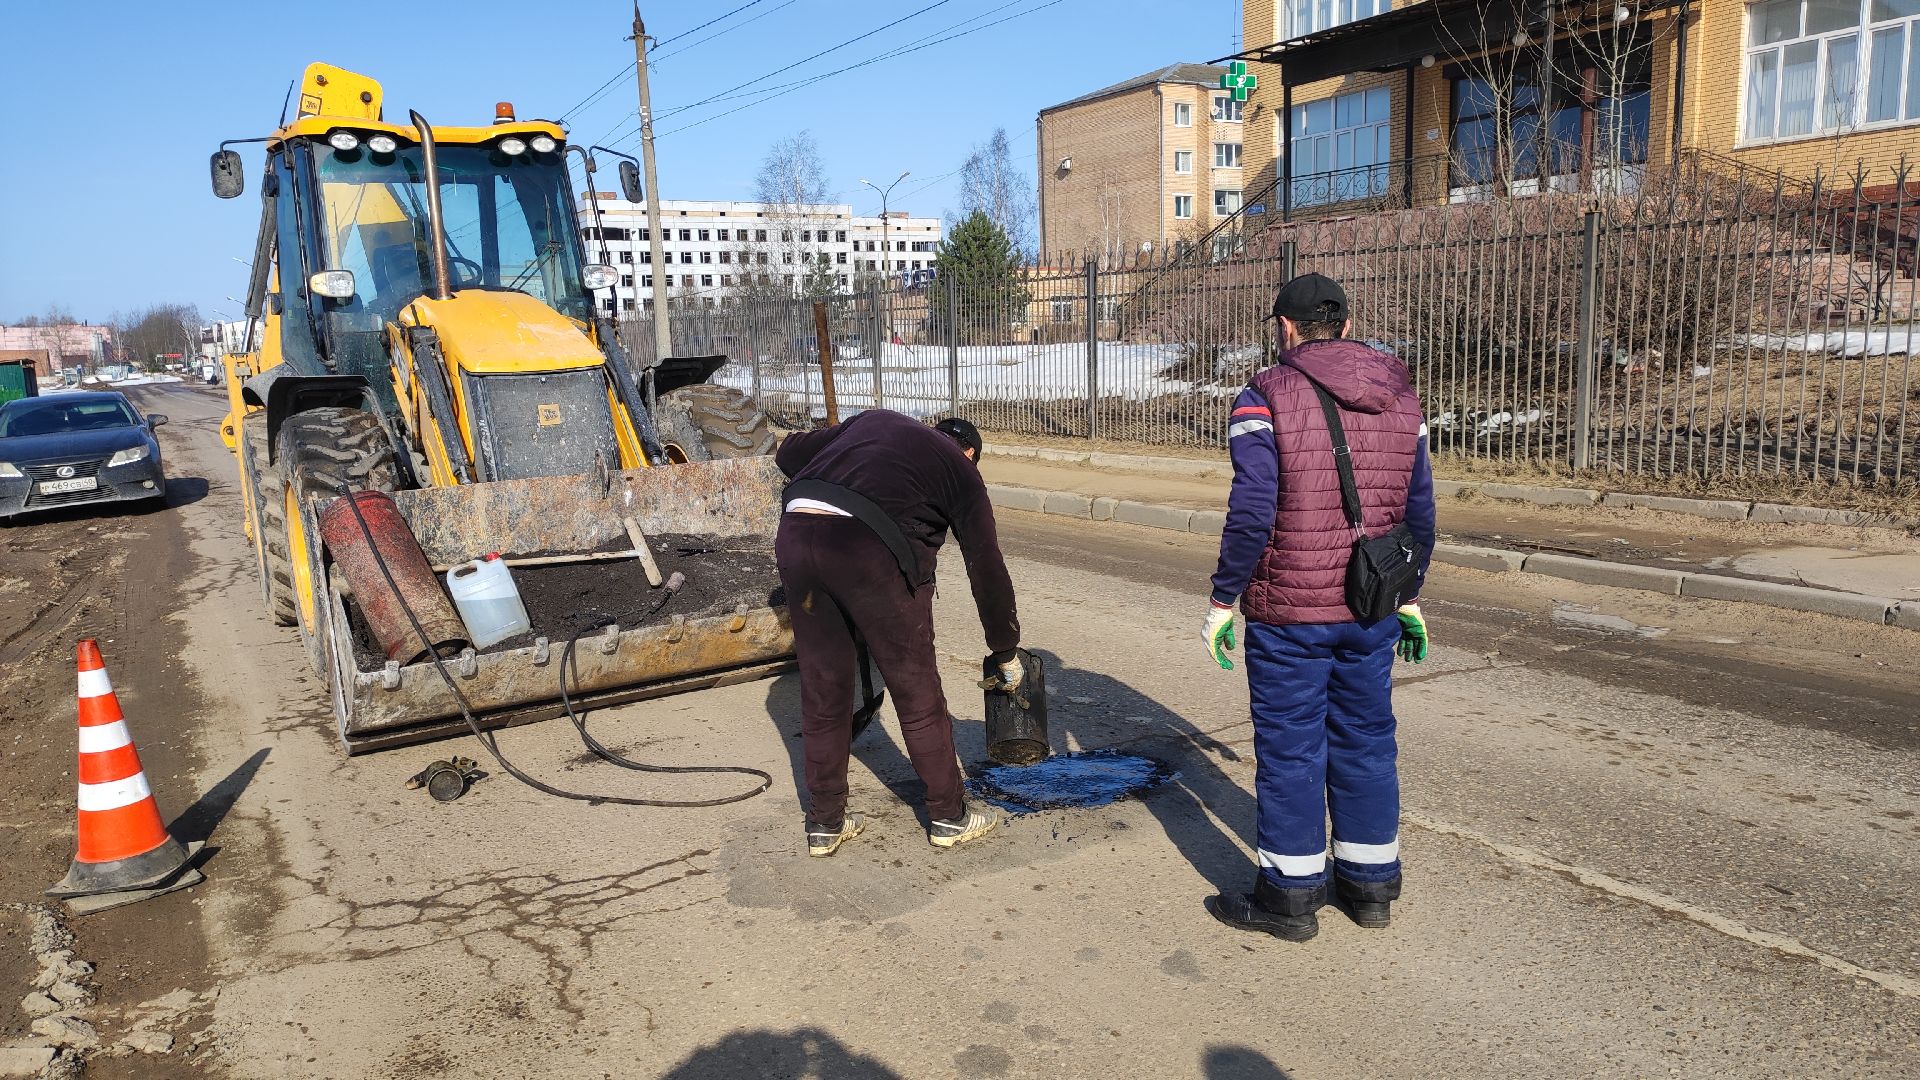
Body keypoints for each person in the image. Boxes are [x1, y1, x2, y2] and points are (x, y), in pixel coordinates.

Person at [1201, 273, 1435, 942]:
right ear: (1346, 323)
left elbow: (1253, 512)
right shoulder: (1402, 396)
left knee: (1291, 749)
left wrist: (1223, 598)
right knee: (1367, 740)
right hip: (1371, 606)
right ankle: (1369, 886)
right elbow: (1420, 510)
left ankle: (1290, 897)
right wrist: (1409, 594)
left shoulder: (1264, 395)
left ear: (1285, 328)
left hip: (1290, 616)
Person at [774, 411, 1022, 857]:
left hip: (797, 535)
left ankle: (825, 823)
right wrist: (1005, 649)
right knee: (915, 689)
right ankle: (949, 816)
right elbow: (986, 568)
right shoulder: (961, 470)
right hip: (868, 553)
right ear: (970, 453)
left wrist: (843, 455)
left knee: (824, 689)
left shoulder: (876, 422)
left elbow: (788, 452)